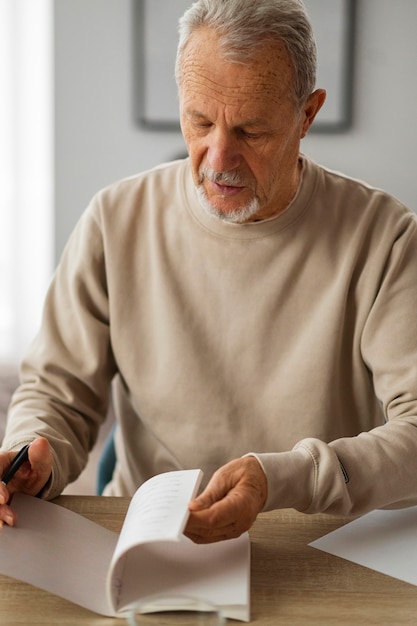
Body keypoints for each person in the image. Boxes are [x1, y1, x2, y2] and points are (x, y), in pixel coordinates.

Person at [1, 0, 417, 544]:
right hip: (150, 538)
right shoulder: (114, 219)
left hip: (325, 547)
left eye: (251, 131)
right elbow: (58, 393)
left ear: (307, 115)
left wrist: (285, 479)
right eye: (200, 121)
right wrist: (35, 452)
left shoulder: (383, 236)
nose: (218, 158)